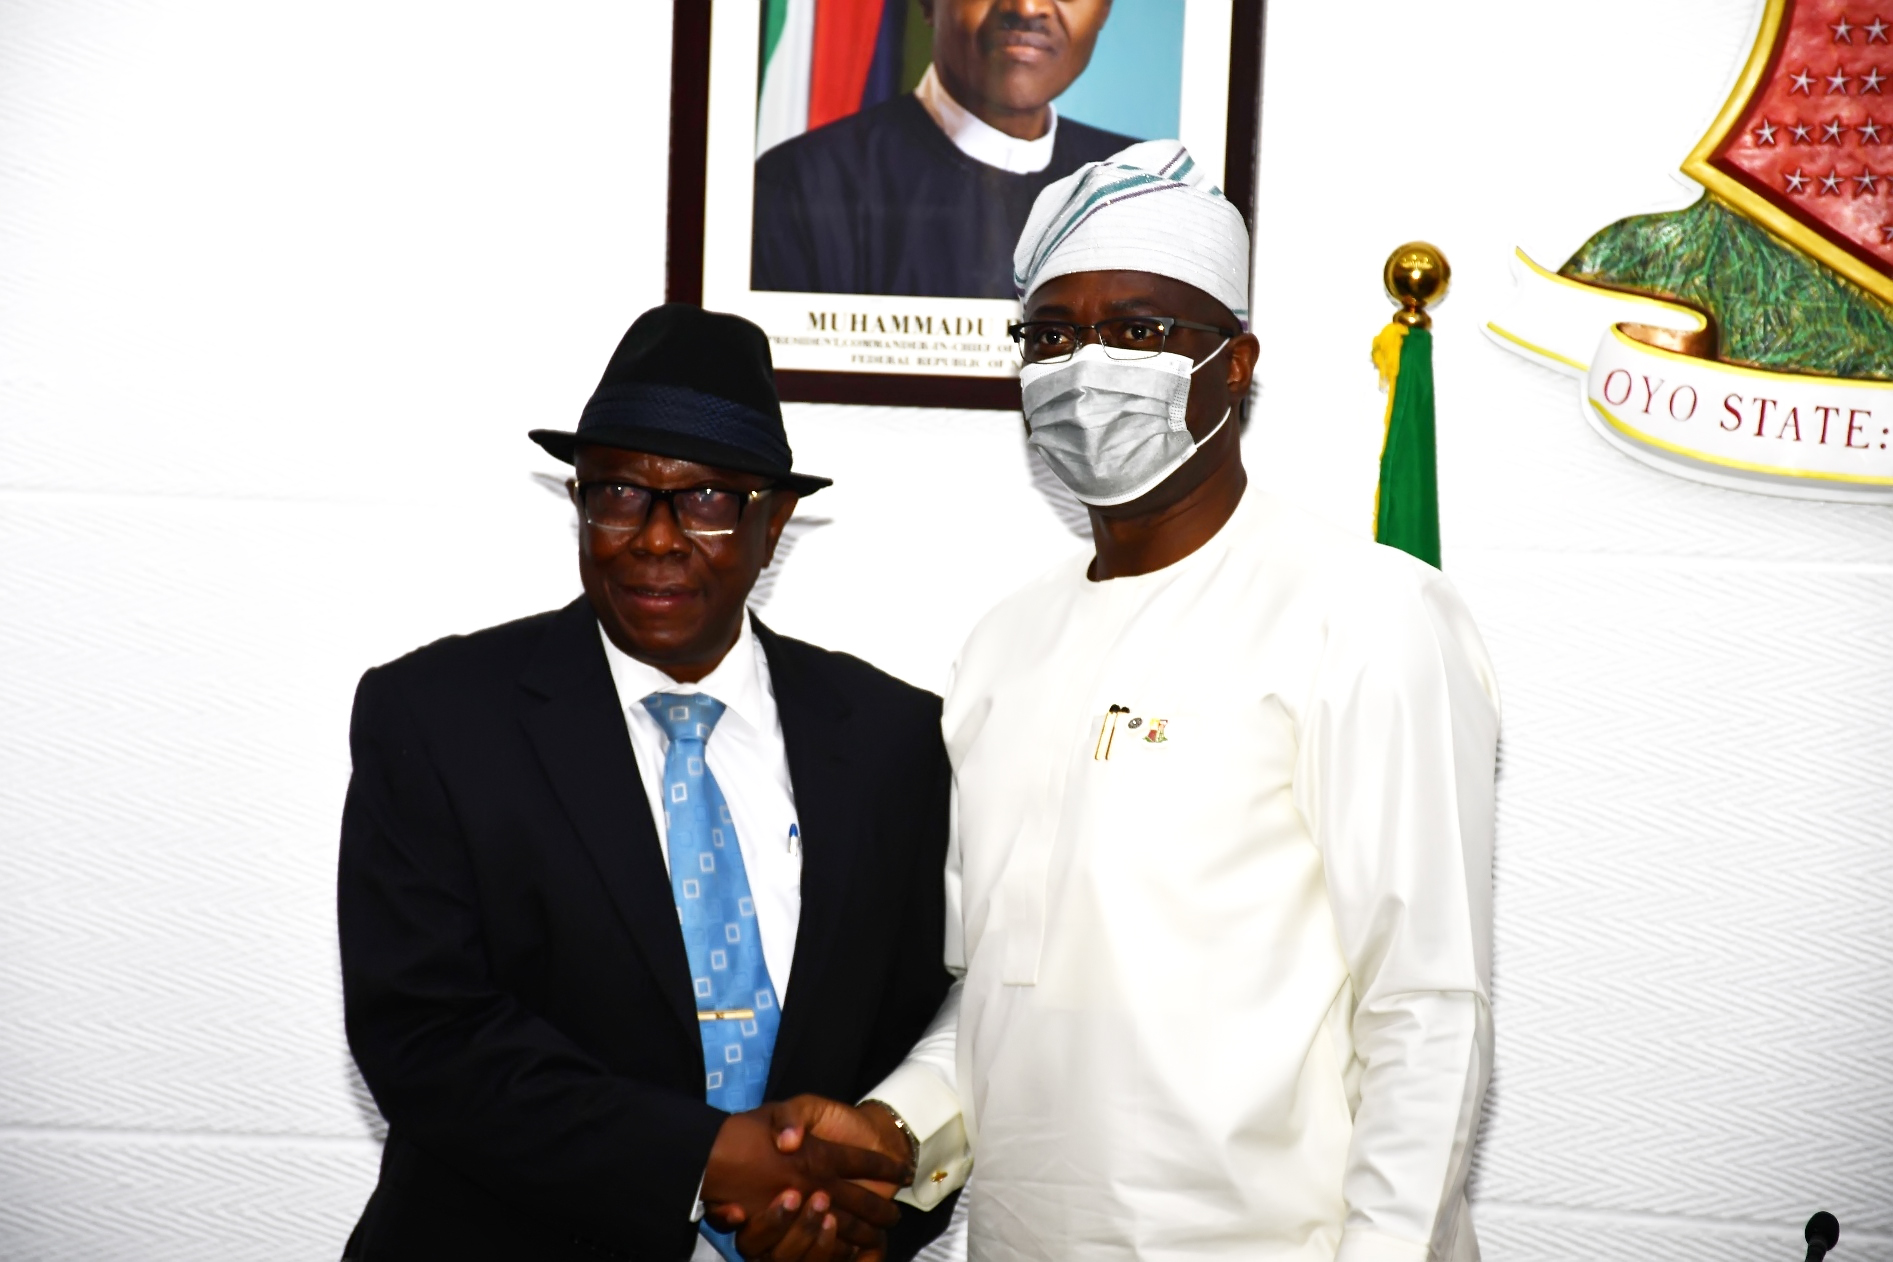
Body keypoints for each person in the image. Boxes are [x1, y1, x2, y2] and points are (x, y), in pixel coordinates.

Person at [777, 143, 1503, 1259]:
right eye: (1053, 333)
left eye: (1144, 329)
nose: (1088, 363)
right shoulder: (1001, 645)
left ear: (1236, 364)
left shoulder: (1363, 612)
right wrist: (892, 1127)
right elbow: (1006, 988)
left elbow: (1425, 1007)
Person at [337, 304, 958, 1261]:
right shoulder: (435, 718)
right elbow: (424, 1035)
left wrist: (862, 1215)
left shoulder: (893, 738)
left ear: (774, 518)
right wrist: (704, 1158)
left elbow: (919, 1025)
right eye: (619, 493)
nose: (654, 538)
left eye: (706, 500)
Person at [751, 0, 1132, 298]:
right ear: (927, 4)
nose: (1027, 7)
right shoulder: (798, 186)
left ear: (1105, 9)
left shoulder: (1144, 186)